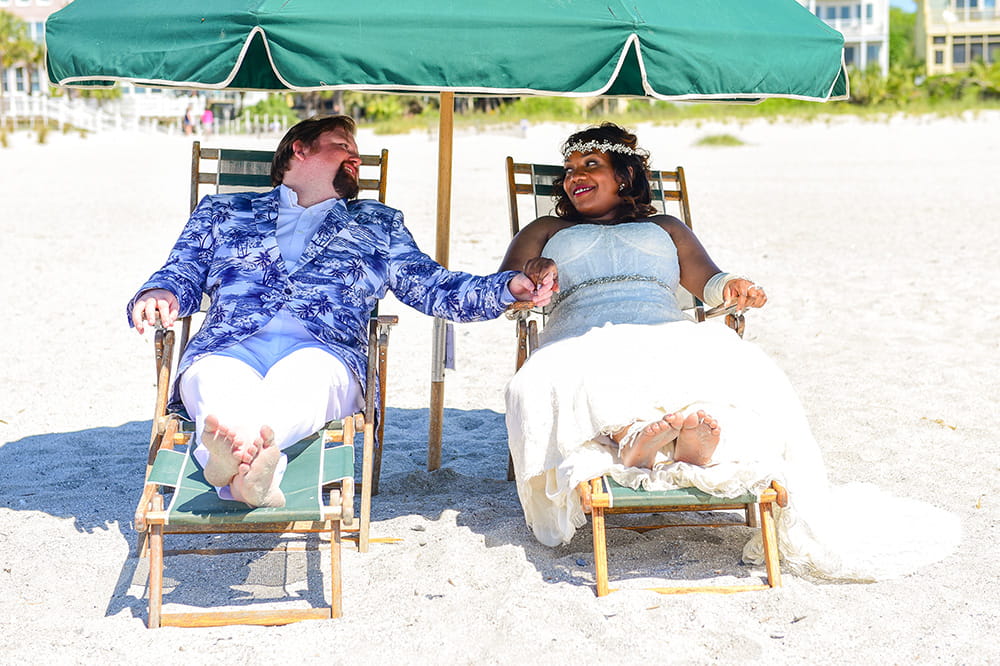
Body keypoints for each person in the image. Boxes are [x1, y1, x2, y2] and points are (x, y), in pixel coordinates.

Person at [501, 123, 959, 582]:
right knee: (581, 365)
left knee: (728, 362)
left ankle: (672, 442)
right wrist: (532, 276)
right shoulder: (546, 228)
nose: (574, 176)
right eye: (569, 169)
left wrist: (733, 286)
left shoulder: (665, 227)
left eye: (590, 165)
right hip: (582, 331)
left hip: (665, 326)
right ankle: (638, 438)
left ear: (623, 176)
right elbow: (504, 289)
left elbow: (708, 281)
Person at [129, 115, 554, 508]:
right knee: (210, 376)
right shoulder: (224, 211)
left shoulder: (377, 224)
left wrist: (505, 287)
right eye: (341, 145)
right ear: (299, 150)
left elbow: (433, 287)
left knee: (308, 379)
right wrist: (160, 291)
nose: (355, 157)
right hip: (230, 343)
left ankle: (231, 461)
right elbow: (182, 270)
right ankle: (252, 474)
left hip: (323, 349)